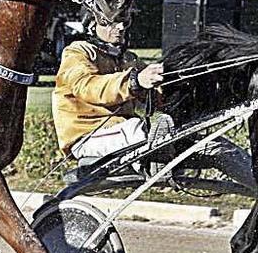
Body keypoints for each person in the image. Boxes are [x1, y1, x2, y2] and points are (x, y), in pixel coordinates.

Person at [52, 13, 256, 191]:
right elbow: (88, 87)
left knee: (218, 148)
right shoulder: (77, 53)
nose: (121, 27)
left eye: (124, 21)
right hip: (89, 137)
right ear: (92, 25)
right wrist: (136, 81)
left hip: (131, 136)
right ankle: (156, 161)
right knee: (146, 128)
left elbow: (157, 95)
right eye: (112, 22)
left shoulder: (127, 58)